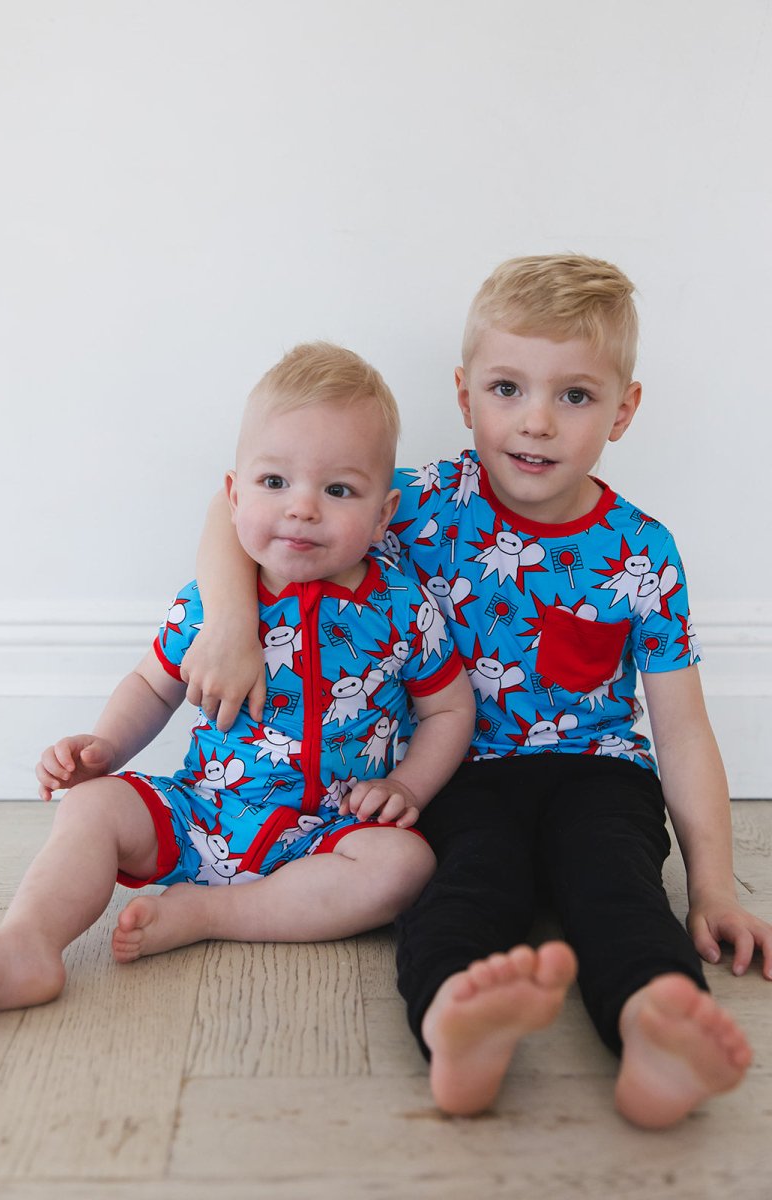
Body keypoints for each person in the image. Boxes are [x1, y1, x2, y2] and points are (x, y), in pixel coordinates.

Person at [179, 255, 772, 1130]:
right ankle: (455, 1022)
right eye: (506, 388)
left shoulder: (642, 551)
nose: (536, 421)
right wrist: (229, 624)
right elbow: (230, 512)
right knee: (465, 887)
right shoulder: (414, 503)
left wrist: (715, 886)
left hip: (599, 774)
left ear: (623, 410)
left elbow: (681, 730)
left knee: (615, 888)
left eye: (575, 395)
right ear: (464, 396)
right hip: (455, 773)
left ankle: (655, 1025)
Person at [0, 342, 475, 1017]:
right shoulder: (212, 607)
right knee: (92, 806)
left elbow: (449, 710)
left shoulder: (401, 608)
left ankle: (211, 914)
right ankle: (26, 944)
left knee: (405, 867)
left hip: (329, 830)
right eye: (275, 482)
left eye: (338, 490)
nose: (302, 508)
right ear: (234, 495)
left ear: (382, 515)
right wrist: (104, 747)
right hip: (201, 810)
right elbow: (153, 685)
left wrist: (406, 787)